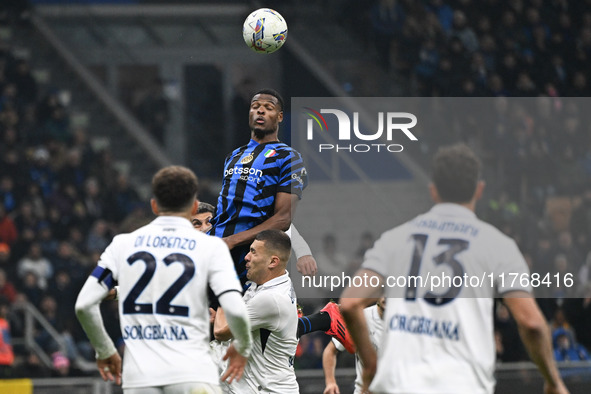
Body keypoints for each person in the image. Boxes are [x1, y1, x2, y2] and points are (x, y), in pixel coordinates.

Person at [340, 144, 569, 394]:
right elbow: (532, 323)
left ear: (433, 190)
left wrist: (371, 367)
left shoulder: (394, 240)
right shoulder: (498, 245)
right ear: (479, 190)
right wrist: (553, 380)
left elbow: (350, 304)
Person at [75, 165, 253, 393]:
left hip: (140, 377)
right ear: (194, 206)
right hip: (193, 373)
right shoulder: (212, 247)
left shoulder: (122, 245)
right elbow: (235, 309)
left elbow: (84, 305)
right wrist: (243, 346)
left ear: (154, 205)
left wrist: (105, 350)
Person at [209, 88, 308, 286]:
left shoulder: (289, 157)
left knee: (243, 315)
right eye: (255, 107)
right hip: (216, 252)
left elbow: (283, 219)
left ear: (279, 117)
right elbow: (225, 209)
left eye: (268, 108)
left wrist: (233, 241)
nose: (260, 111)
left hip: (251, 259)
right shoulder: (233, 156)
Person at [213, 229, 299, 393]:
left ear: (272, 262)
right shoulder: (267, 283)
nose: (247, 257)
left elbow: (221, 332)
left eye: (253, 252)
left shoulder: (270, 299)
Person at [323, 298, 385, 394]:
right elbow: (330, 351)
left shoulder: (406, 323)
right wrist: (330, 382)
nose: (386, 297)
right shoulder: (360, 319)